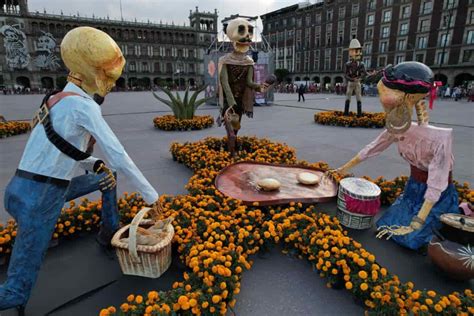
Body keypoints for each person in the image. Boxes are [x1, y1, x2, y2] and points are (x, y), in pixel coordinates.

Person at [0, 26, 163, 314]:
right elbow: (118, 154)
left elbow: (57, 148)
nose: (111, 84)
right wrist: (150, 195)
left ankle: (109, 230)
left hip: (19, 189)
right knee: (15, 290)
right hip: (42, 199)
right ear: (93, 73)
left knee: (105, 178)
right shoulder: (85, 107)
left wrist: (92, 164)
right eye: (109, 76)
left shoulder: (53, 99)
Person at [331, 62, 459, 251]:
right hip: (412, 189)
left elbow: (436, 183)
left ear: (408, 97)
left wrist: (416, 222)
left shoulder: (439, 139)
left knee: (411, 238)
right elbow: (372, 149)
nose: (383, 101)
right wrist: (342, 169)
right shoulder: (399, 128)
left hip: (435, 198)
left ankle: (431, 227)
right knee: (386, 225)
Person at [218, 17, 268, 157]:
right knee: (230, 131)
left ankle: (230, 150)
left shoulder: (249, 62)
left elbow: (249, 83)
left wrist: (260, 87)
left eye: (249, 32)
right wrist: (230, 99)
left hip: (240, 101)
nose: (246, 36)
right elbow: (224, 82)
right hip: (229, 102)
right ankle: (233, 152)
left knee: (236, 128)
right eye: (242, 31)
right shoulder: (225, 61)